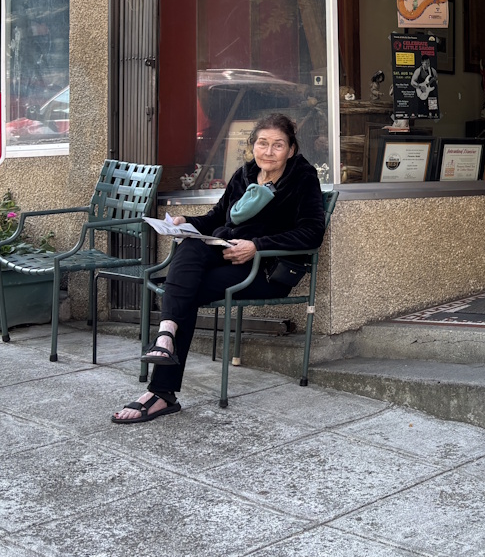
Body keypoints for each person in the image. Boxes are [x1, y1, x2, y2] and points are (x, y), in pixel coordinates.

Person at [112, 114, 326, 423]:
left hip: (265, 270)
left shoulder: (302, 179)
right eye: (262, 143)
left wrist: (257, 246)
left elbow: (312, 233)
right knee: (190, 245)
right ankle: (166, 337)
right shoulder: (245, 175)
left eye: (278, 145)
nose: (268, 151)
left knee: (182, 290)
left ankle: (161, 390)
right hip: (225, 255)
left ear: (291, 150)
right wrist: (187, 222)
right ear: (253, 146)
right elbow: (216, 218)